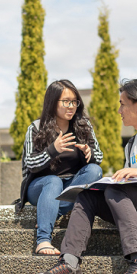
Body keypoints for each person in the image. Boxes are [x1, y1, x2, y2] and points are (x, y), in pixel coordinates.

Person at [33, 79, 137, 274]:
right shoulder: (132, 143)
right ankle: (69, 263)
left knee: (115, 192)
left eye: (123, 104)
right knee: (88, 195)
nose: (119, 110)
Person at [16, 79, 103, 256]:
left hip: (71, 186)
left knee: (95, 171)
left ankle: (51, 212)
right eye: (66, 101)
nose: (71, 106)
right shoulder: (36, 127)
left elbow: (99, 157)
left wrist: (89, 153)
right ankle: (43, 241)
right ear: (52, 102)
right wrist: (52, 150)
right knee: (53, 181)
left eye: (74, 101)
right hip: (40, 187)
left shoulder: (84, 127)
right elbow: (30, 164)